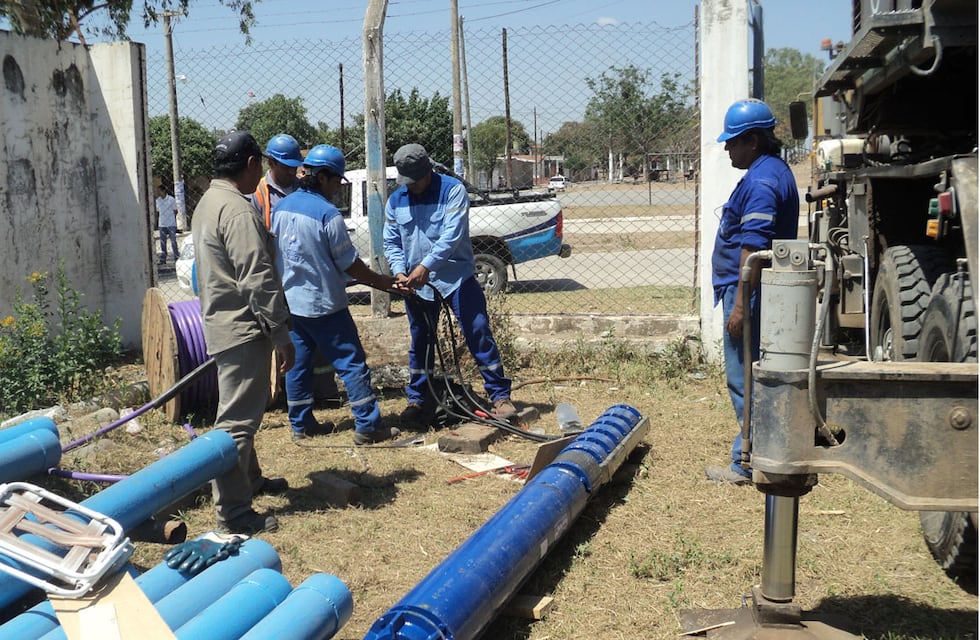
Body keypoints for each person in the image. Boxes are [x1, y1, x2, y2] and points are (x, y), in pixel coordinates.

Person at [192, 130, 295, 534]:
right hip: (243, 328)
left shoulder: (208, 202)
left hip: (222, 323)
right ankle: (233, 514)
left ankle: (250, 482)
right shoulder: (236, 209)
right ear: (252, 164)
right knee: (236, 423)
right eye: (261, 167)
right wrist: (281, 332)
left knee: (242, 413)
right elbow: (256, 276)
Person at [271, 144, 404, 445]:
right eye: (336, 182)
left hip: (293, 303)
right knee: (352, 362)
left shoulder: (282, 206)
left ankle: (301, 424)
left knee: (298, 364)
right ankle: (368, 427)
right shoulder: (328, 214)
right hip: (324, 305)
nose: (336, 189)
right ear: (324, 178)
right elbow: (350, 265)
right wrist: (385, 283)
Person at [383, 143, 517, 429]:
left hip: (456, 278)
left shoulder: (452, 191)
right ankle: (418, 399)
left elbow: (451, 236)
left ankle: (500, 396)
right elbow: (392, 241)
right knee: (421, 341)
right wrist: (399, 271)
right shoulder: (396, 200)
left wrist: (425, 267)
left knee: (478, 330)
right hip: (416, 284)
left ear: (427, 171)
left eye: (415, 180)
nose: (412, 187)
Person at [704, 99, 800, 486]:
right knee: (754, 375)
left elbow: (753, 249)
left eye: (733, 142)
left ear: (754, 141)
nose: (728, 149)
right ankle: (756, 450)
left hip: (749, 291)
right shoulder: (771, 171)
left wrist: (741, 305)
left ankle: (747, 460)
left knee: (744, 377)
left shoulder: (761, 181)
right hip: (754, 289)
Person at [252, 133, 304, 228]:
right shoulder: (257, 192)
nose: (292, 172)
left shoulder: (304, 187)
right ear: (271, 163)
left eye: (294, 167)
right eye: (286, 167)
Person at [155, 184, 180, 264]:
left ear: (164, 191)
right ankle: (163, 258)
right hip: (162, 224)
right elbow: (158, 211)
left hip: (171, 223)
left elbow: (175, 210)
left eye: (159, 191)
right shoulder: (158, 200)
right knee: (162, 242)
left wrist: (171, 218)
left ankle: (176, 257)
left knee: (173, 241)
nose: (158, 192)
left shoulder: (171, 199)